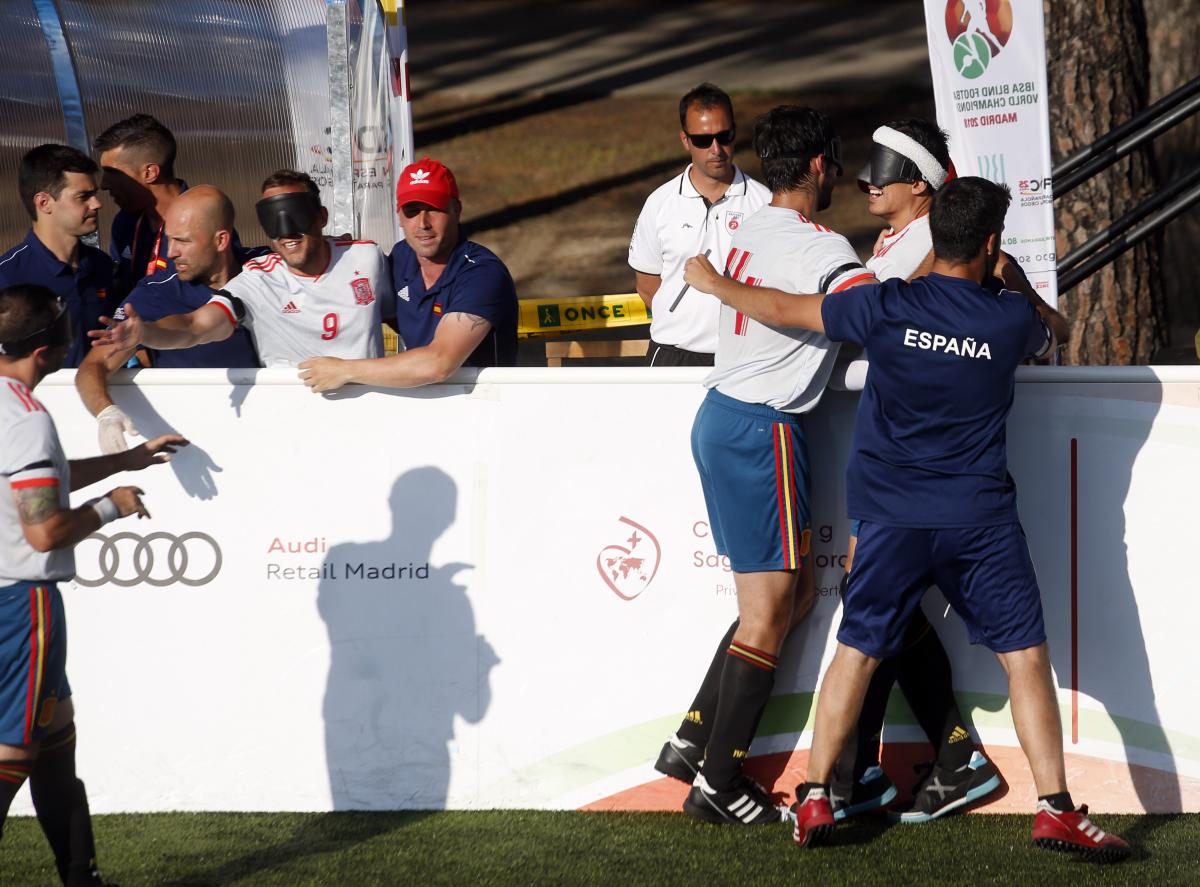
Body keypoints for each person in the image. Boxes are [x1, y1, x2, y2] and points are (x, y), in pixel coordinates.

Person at [684, 177, 1128, 861]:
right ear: (990, 243)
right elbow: (1058, 329)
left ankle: (813, 794)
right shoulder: (1008, 320)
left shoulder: (885, 306)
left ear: (935, 236)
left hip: (891, 517)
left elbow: (781, 306)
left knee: (855, 653)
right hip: (978, 518)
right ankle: (1055, 808)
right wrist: (1013, 283)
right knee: (1025, 659)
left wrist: (713, 282)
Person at [656, 105, 877, 826]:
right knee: (769, 610)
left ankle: (695, 740)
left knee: (797, 597)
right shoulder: (823, 245)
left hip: (726, 421)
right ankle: (720, 779)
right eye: (837, 161)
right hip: (764, 430)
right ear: (818, 165)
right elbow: (866, 314)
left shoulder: (747, 226)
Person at [830, 118, 1003, 825]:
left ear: (921, 184)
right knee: (872, 593)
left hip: (913, 453)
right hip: (887, 445)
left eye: (884, 171)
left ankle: (872, 767)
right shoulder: (900, 239)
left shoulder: (939, 241)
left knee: (871, 593)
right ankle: (903, 759)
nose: (867, 182)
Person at [0, 283, 187, 885]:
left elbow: (38, 482)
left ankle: (82, 877)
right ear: (49, 348)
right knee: (14, 755)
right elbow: (47, 530)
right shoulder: (26, 418)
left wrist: (122, 462)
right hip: (20, 606)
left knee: (56, 743)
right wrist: (112, 505)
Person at [88, 171, 394, 370]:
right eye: (274, 222)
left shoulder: (366, 257)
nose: (286, 233)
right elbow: (197, 326)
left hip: (369, 414)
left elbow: (404, 315)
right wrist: (147, 332)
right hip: (294, 418)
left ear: (322, 217)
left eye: (297, 216)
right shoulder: (256, 279)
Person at [297, 157, 517, 393]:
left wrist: (345, 370)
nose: (423, 223)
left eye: (434, 209)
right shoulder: (401, 258)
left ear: (457, 210)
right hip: (419, 404)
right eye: (411, 211)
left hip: (484, 407)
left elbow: (439, 363)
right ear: (399, 215)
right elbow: (359, 307)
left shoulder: (482, 272)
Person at [75, 186, 262, 454]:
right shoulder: (152, 293)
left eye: (182, 241)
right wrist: (106, 413)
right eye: (168, 240)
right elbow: (92, 367)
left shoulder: (267, 268)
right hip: (195, 449)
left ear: (221, 240)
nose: (170, 252)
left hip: (277, 430)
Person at [628, 83, 770, 366]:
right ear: (685, 140)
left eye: (724, 136)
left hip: (741, 357)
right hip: (671, 352)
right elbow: (646, 285)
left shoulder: (764, 203)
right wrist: (684, 323)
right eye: (703, 140)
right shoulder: (660, 203)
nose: (716, 149)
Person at [0, 145, 113, 368]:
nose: (97, 204)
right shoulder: (7, 277)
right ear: (44, 203)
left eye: (95, 194)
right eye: (83, 196)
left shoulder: (103, 266)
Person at [94, 114, 186, 297]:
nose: (103, 184)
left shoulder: (204, 220)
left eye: (112, 173)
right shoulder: (125, 223)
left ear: (149, 173)